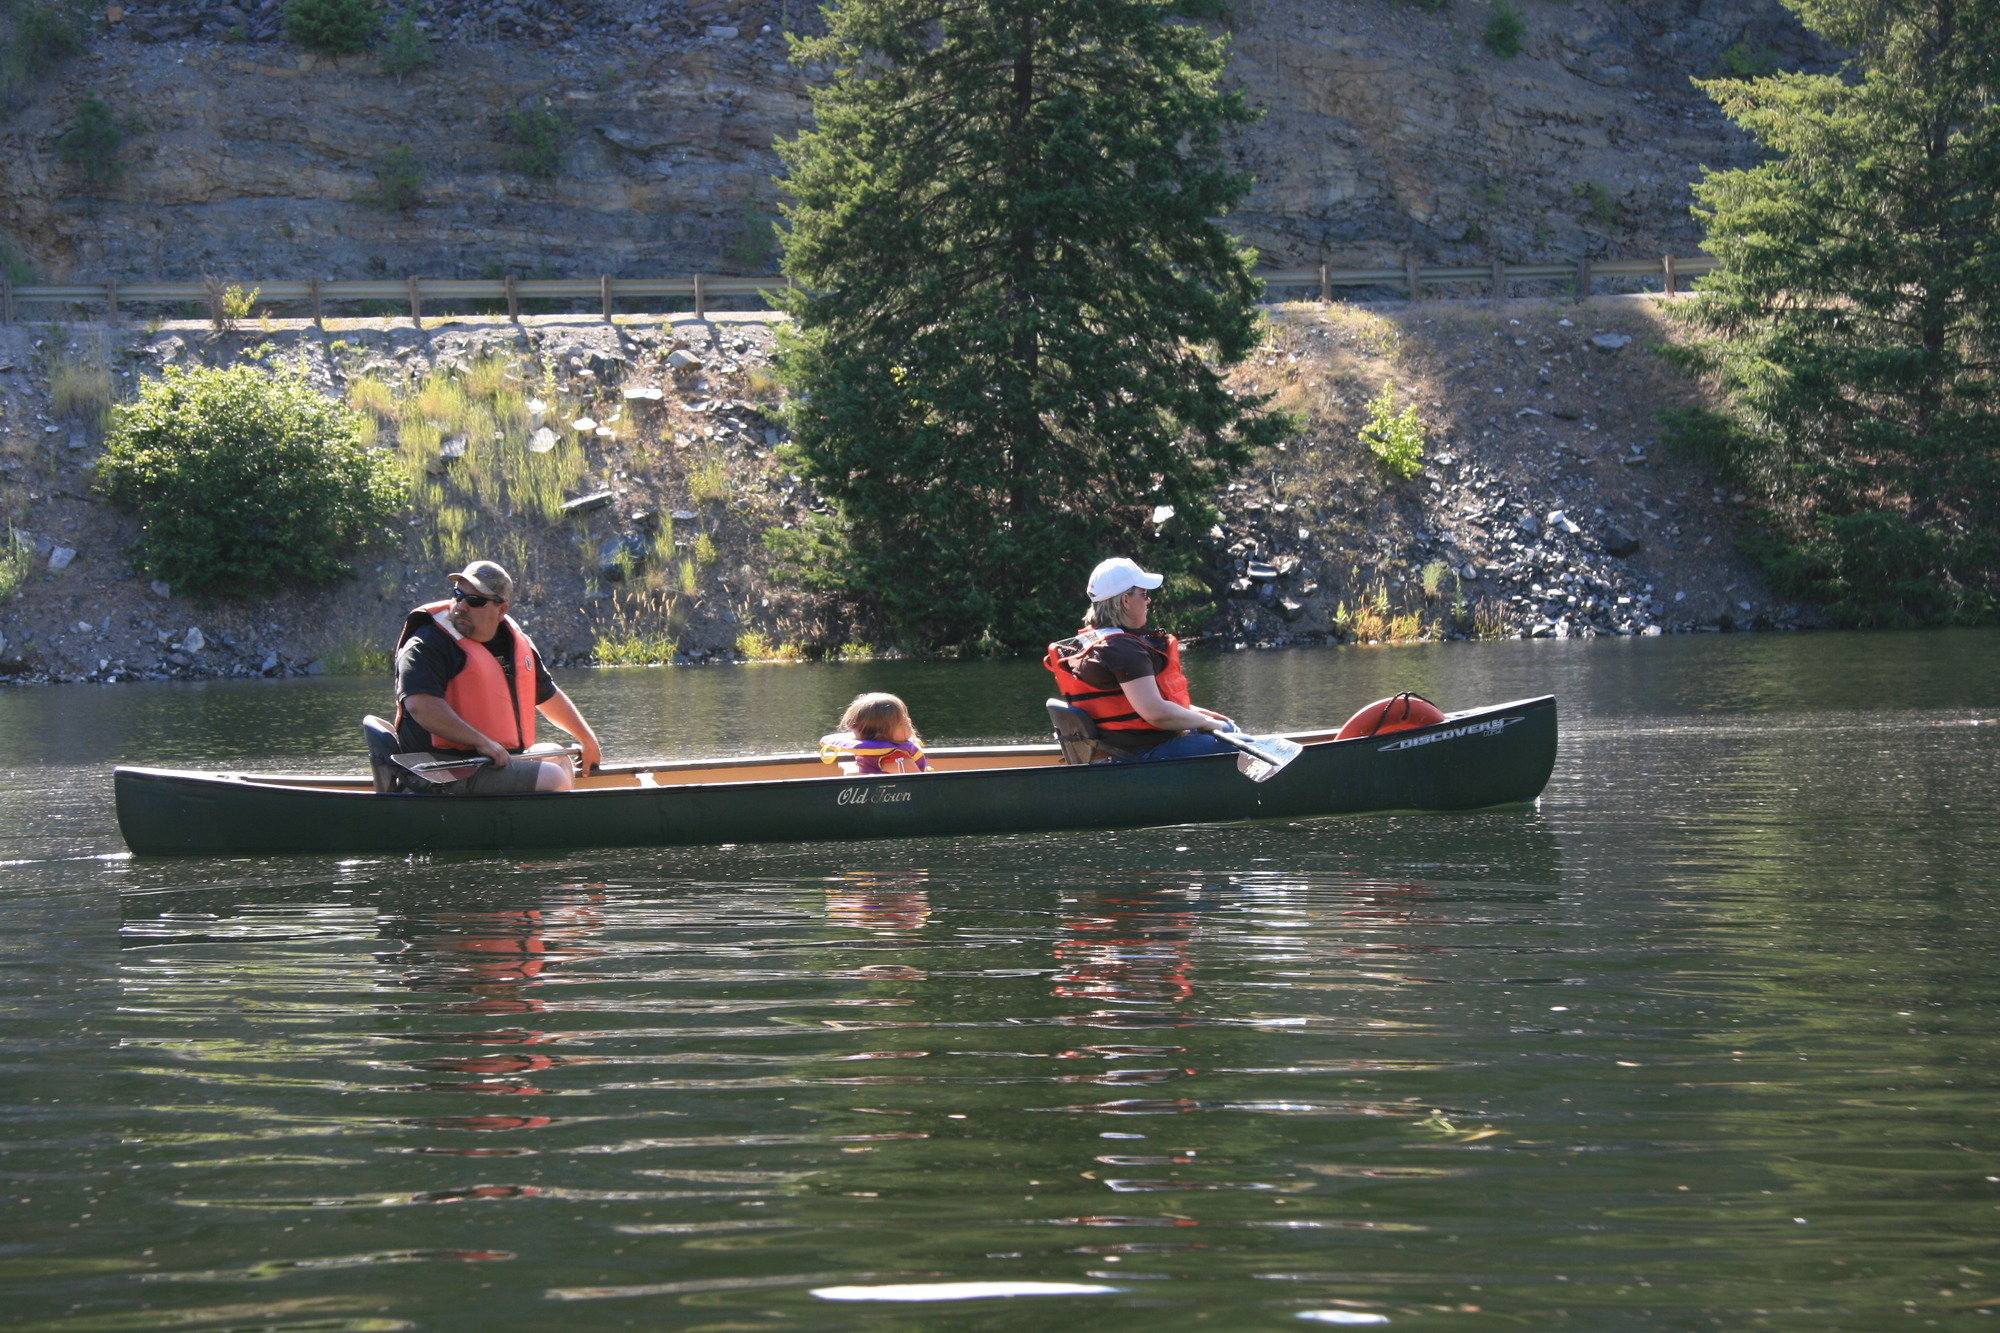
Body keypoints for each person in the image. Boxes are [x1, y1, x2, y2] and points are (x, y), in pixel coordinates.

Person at [393, 560, 603, 793]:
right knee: (551, 776)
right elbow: (421, 706)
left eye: (474, 601)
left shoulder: (511, 641)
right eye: (458, 595)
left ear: (501, 610)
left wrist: (587, 739)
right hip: (437, 769)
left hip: (487, 762)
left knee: (558, 757)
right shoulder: (427, 642)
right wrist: (481, 742)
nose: (461, 606)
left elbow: (546, 695)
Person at [1044, 556, 1239, 762]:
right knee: (1241, 745)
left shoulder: (1092, 644)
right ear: (1125, 600)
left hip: (1115, 751)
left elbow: (1135, 704)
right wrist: (1205, 723)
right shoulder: (1122, 648)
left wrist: (1199, 715)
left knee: (1227, 726)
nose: (1148, 600)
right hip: (1140, 755)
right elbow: (1156, 713)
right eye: (1143, 594)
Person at [820, 692, 931, 775]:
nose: (909, 722)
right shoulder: (899, 761)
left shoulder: (871, 753)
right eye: (902, 723)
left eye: (907, 719)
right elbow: (919, 787)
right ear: (880, 734)